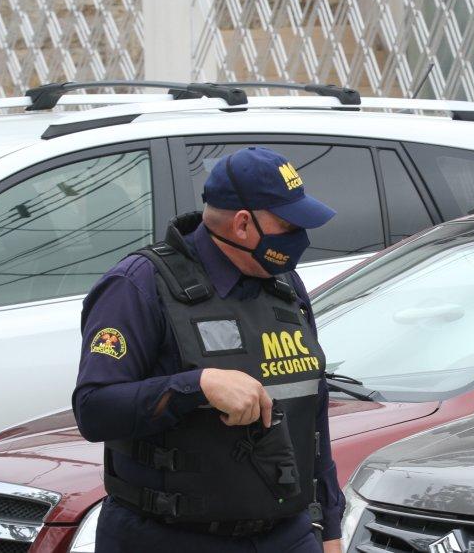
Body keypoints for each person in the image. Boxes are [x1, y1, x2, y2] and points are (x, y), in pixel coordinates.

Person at [72, 147, 344, 552]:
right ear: (242, 224)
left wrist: (330, 528)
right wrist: (197, 385)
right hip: (171, 538)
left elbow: (312, 415)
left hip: (286, 535)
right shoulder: (138, 286)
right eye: (288, 224)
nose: (299, 238)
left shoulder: (286, 286)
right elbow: (94, 410)